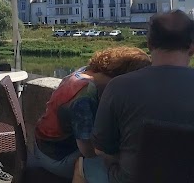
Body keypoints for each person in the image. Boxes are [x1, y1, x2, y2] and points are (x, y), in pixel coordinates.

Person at [74, 10, 194, 183]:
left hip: (131, 179)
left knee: (83, 166)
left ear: (149, 43)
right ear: (192, 47)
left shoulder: (118, 87)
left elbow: (100, 149)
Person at [33, 47, 150, 179]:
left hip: (43, 146)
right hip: (56, 158)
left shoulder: (84, 72)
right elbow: (88, 151)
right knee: (123, 170)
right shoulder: (84, 99)